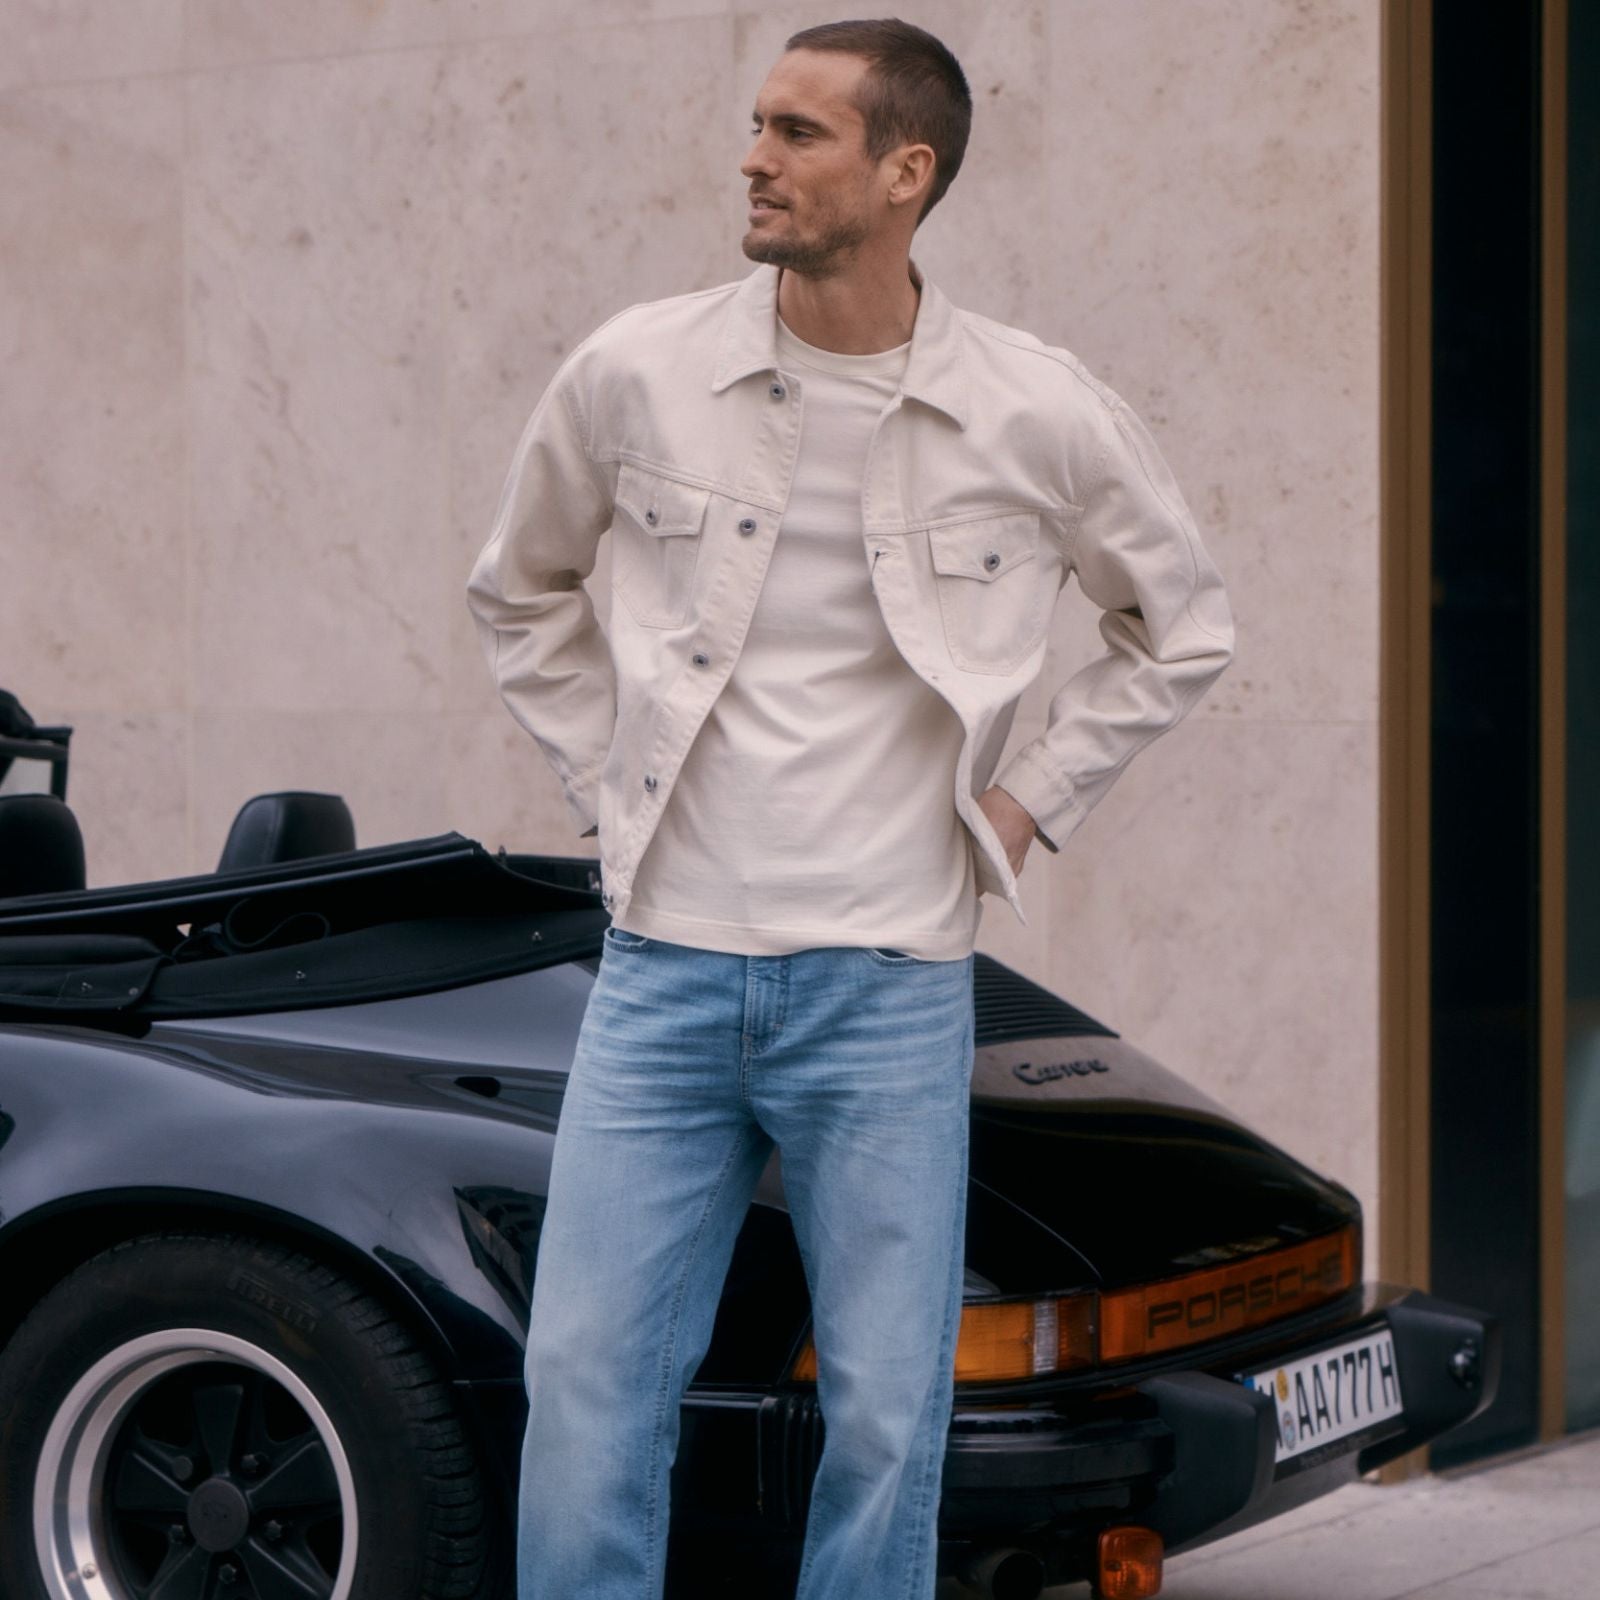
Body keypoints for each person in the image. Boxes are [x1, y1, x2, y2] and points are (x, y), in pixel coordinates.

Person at [465, 17, 1234, 1599]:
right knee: (589, 1383)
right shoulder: (638, 370)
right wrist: (610, 783)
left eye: (799, 133)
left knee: (887, 1418)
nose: (753, 159)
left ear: (906, 172)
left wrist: (1021, 803)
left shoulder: (1033, 409)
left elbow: (1183, 626)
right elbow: (519, 590)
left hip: (887, 983)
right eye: (757, 124)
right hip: (665, 968)